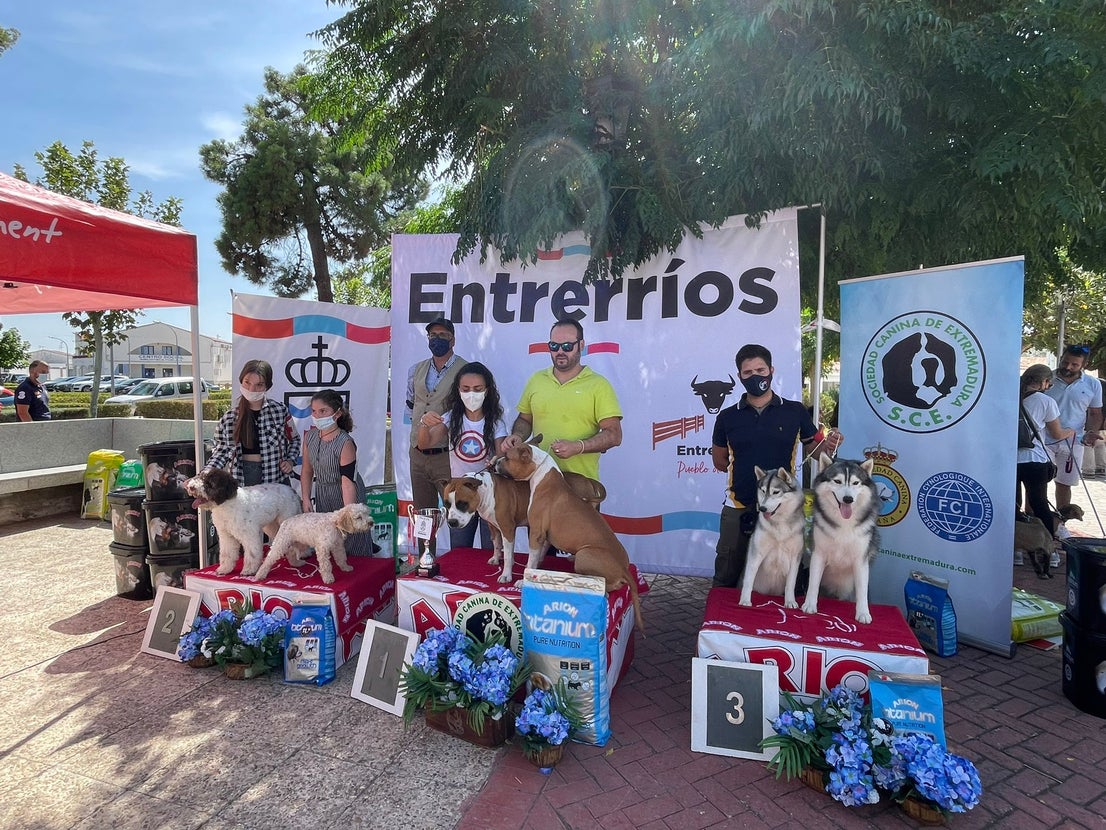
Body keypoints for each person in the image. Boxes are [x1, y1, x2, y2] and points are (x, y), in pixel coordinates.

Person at [709, 343, 842, 588]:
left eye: (760, 370)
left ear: (771, 370)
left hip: (784, 508)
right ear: (739, 376)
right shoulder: (727, 417)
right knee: (727, 574)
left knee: (787, 573)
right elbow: (719, 462)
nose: (755, 376)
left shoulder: (794, 411)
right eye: (748, 373)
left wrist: (830, 444)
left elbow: (815, 450)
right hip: (739, 504)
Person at [501, 318, 622, 481]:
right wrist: (518, 436)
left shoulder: (599, 385)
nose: (560, 352)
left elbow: (614, 434)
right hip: (536, 482)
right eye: (554, 346)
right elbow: (525, 419)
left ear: (581, 345)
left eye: (567, 346)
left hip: (580, 484)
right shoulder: (537, 379)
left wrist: (579, 447)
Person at [417, 362, 507, 549]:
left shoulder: (496, 421)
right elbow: (424, 444)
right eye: (466, 389)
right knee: (459, 549)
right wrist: (424, 424)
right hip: (457, 494)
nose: (471, 394)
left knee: (491, 549)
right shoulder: (451, 417)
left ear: (487, 390)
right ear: (458, 390)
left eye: (477, 389)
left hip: (487, 493)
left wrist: (497, 460)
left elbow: (501, 456)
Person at [406, 317, 467, 551]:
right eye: (433, 335)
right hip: (418, 452)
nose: (437, 339)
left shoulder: (465, 369)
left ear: (453, 339)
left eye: (443, 335)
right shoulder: (416, 370)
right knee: (423, 513)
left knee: (456, 511)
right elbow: (411, 405)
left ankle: (460, 563)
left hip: (447, 454)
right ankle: (426, 560)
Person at [300, 389, 374, 557]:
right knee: (329, 539)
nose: (317, 416)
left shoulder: (345, 442)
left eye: (323, 411)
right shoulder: (310, 437)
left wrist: (350, 512)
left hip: (345, 492)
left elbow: (347, 482)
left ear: (337, 413)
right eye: (314, 411)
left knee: (352, 539)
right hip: (323, 493)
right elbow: (306, 470)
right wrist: (305, 497)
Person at [205, 360, 297, 486]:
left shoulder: (280, 411)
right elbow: (221, 452)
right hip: (242, 479)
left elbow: (295, 439)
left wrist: (290, 460)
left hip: (275, 479)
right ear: (241, 381)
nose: (251, 389)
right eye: (247, 382)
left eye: (259, 385)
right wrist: (204, 475)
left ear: (267, 386)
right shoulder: (229, 418)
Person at [1016, 365, 1073, 560]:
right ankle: (1050, 552)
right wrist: (1071, 431)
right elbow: (1056, 433)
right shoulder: (1046, 401)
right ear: (1043, 382)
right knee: (1040, 504)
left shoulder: (1011, 397)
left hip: (1009, 460)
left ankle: (1016, 550)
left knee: (1013, 505)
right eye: (1048, 383)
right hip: (1035, 459)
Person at [1044, 344, 1103, 509]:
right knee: (1038, 482)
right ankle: (1036, 523)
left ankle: (1061, 525)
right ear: (1061, 358)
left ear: (1083, 365)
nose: (1068, 367)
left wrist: (1091, 433)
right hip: (1043, 439)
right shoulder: (1046, 378)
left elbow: (1095, 413)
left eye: (1074, 365)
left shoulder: (1093, 384)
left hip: (1073, 440)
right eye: (1065, 362)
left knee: (1064, 484)